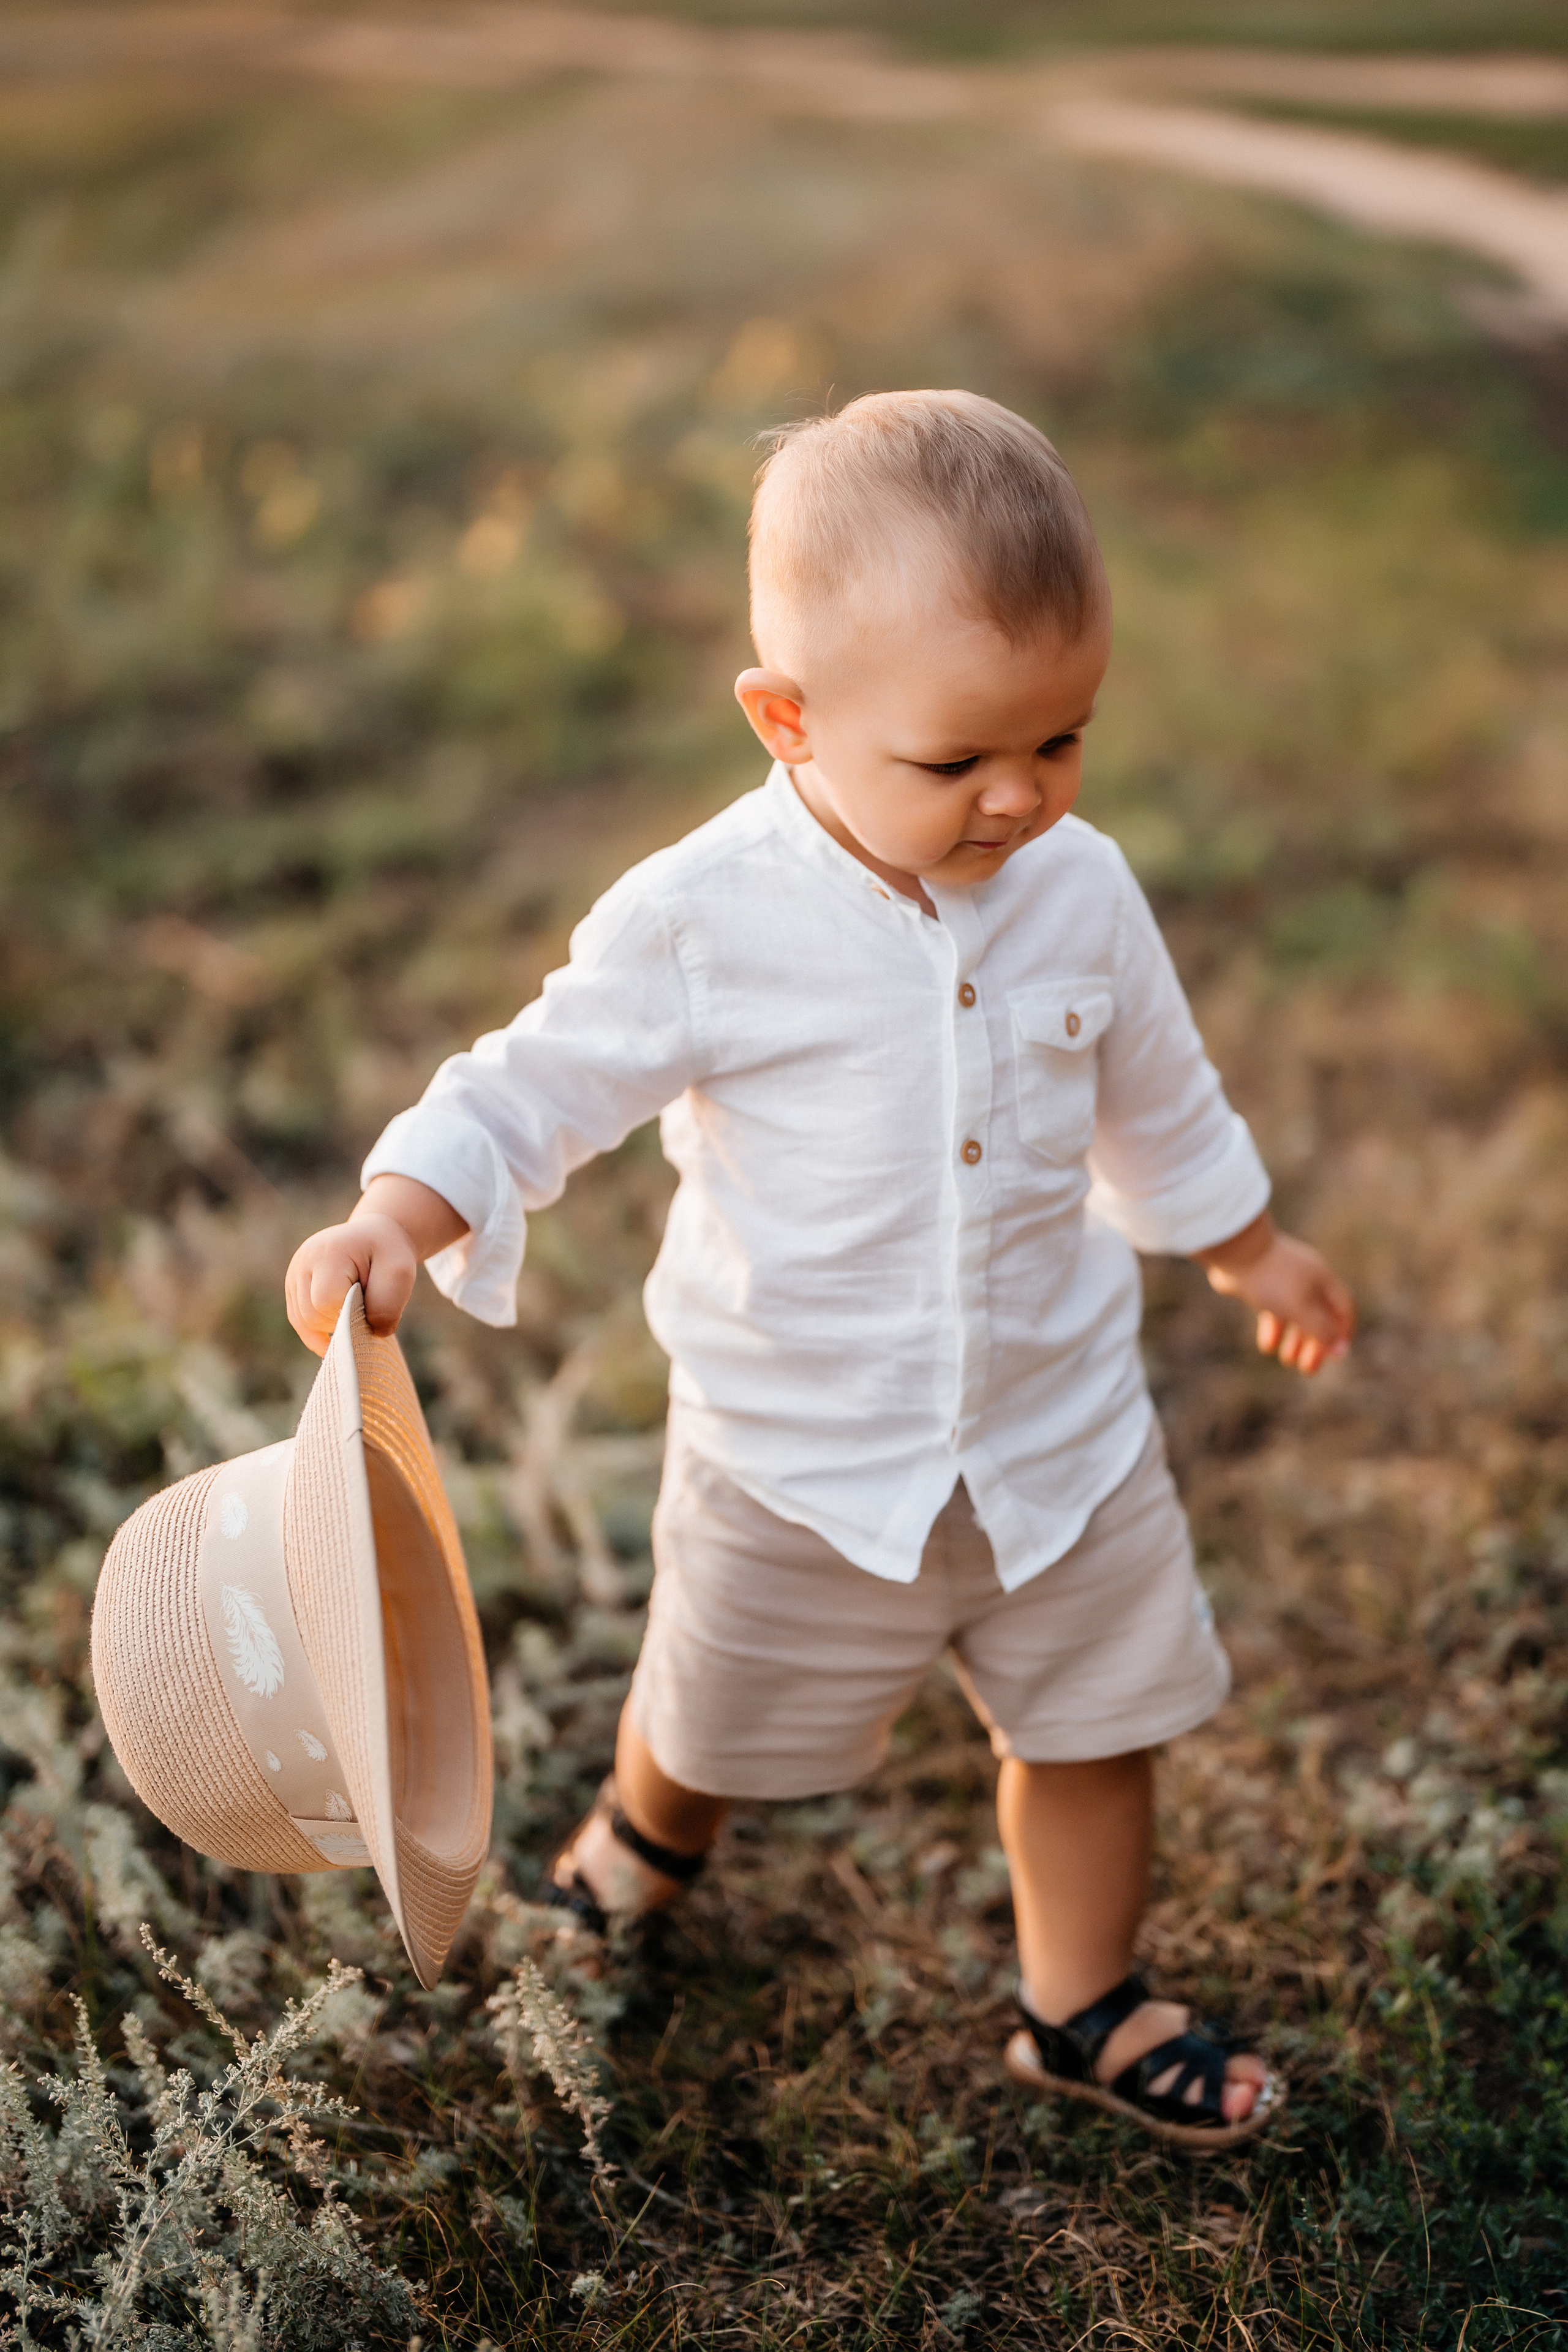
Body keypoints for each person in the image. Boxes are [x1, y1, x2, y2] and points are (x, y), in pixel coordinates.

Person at [285, 390, 1354, 2149]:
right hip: (799, 1450)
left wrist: (1246, 1242)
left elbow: (1153, 1097)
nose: (1021, 796)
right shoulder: (707, 920)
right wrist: (405, 1210)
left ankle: (1081, 2007)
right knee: (713, 1714)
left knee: (1095, 1731)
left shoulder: (1083, 891)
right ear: (787, 721)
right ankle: (641, 1841)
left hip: (1058, 1436)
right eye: (957, 763)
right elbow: (530, 1083)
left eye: (1064, 740)